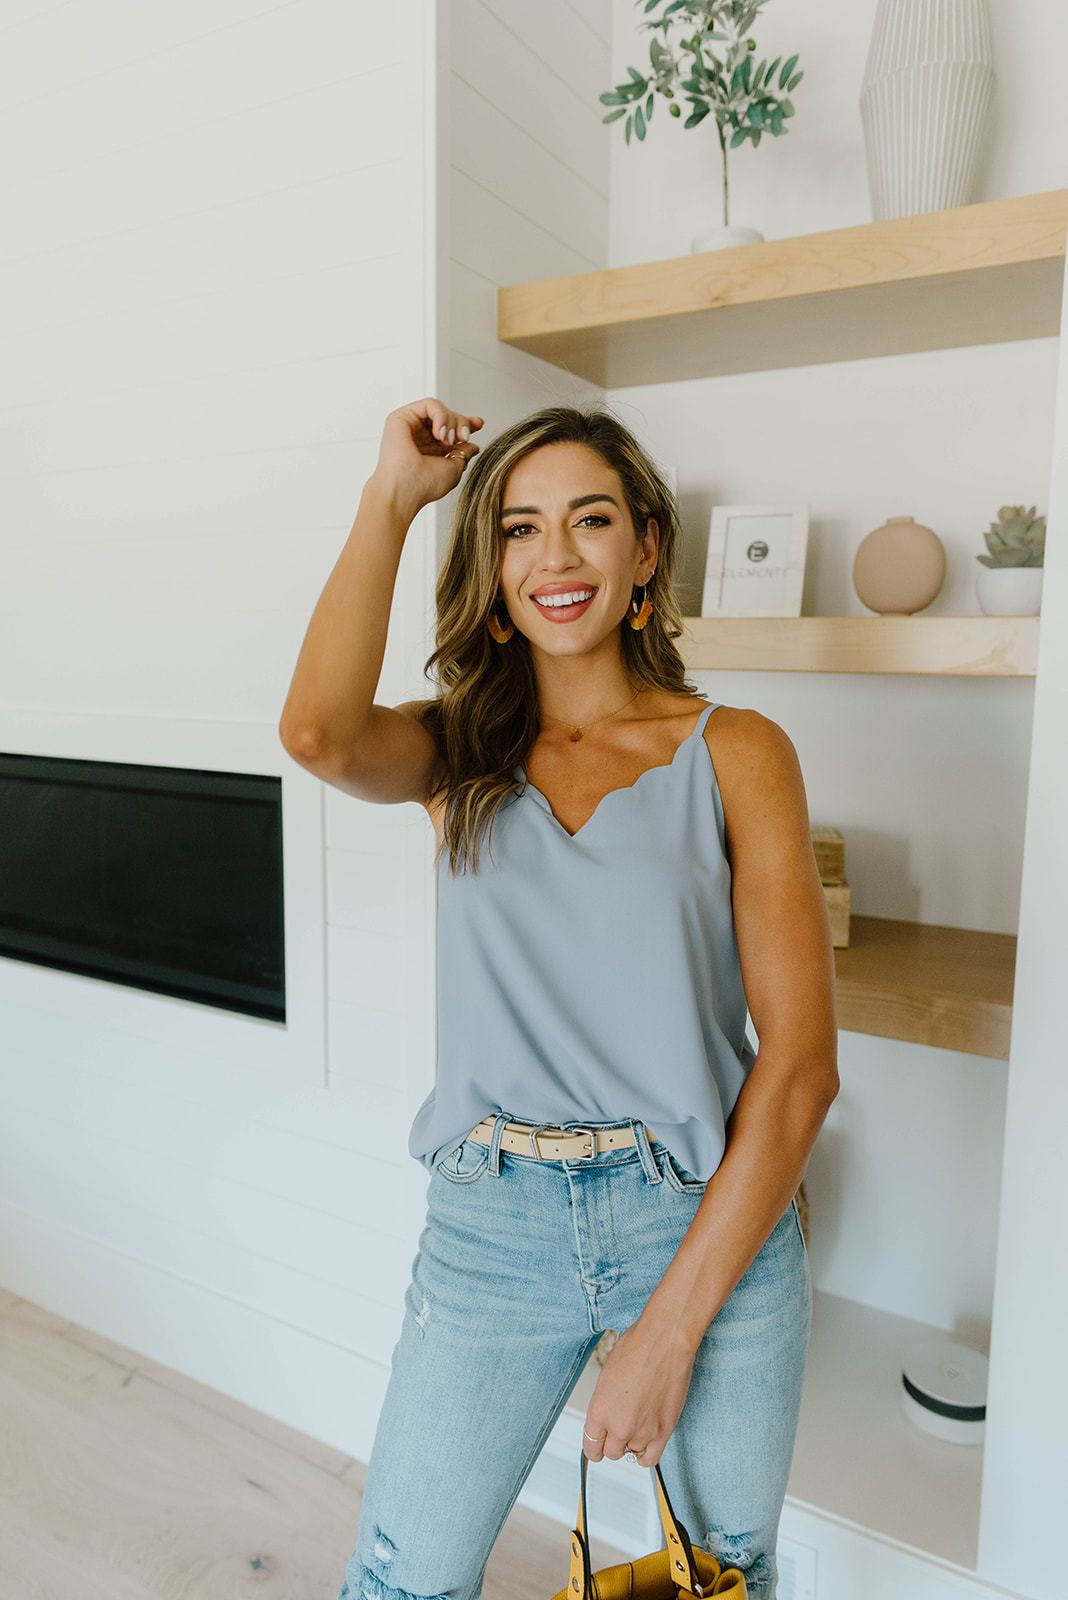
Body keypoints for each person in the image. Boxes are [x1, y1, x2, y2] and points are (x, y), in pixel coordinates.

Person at [279, 398, 839, 1600]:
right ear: (493, 571)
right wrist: (391, 497)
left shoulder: (738, 751)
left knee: (718, 1577)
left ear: (646, 551)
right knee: (401, 1577)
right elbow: (319, 734)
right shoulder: (456, 754)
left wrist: (671, 1331)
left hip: (700, 1216)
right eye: (522, 529)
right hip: (494, 1222)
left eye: (590, 520)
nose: (556, 555)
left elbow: (799, 1070)